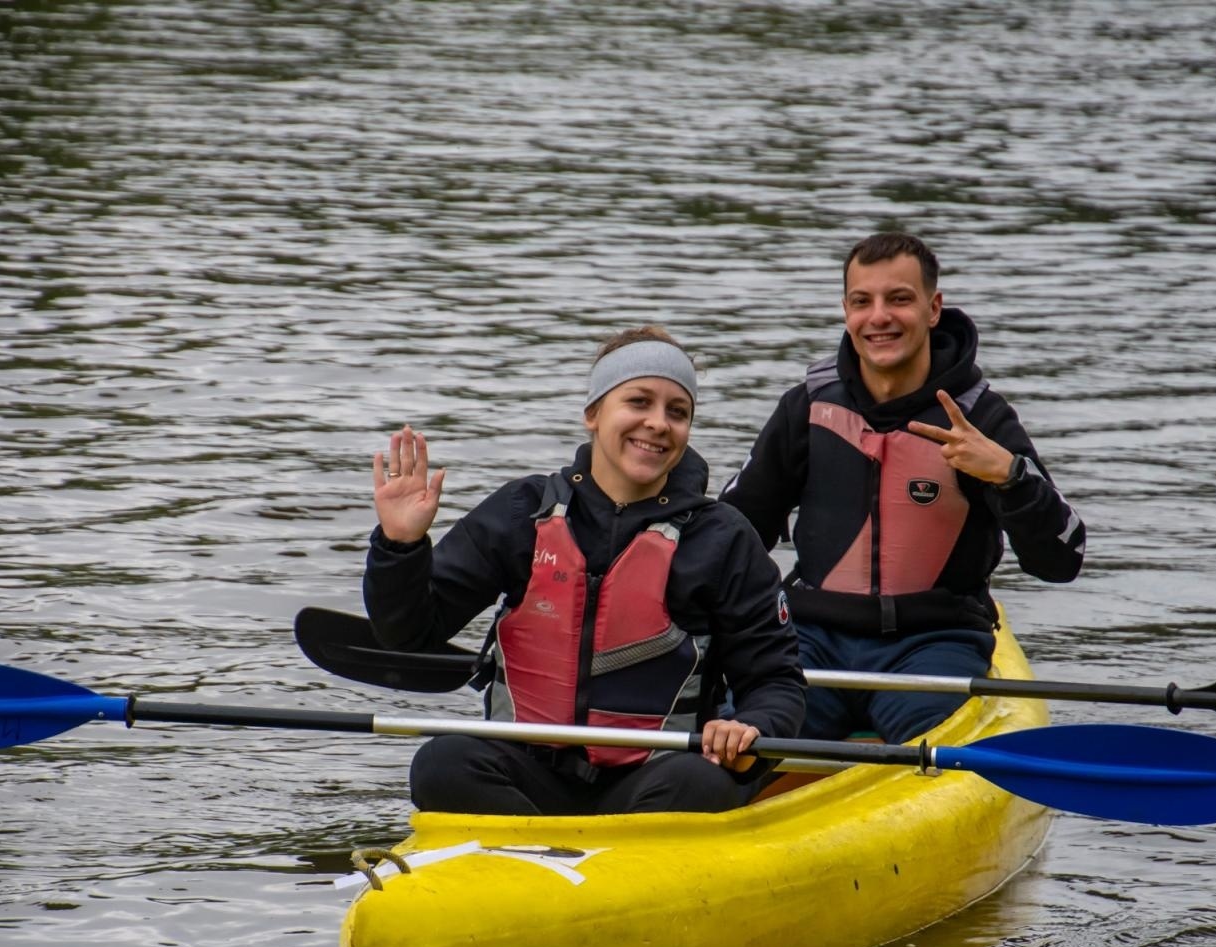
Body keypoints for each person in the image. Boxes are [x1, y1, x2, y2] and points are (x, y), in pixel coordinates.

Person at [363, 327, 804, 815]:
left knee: (699, 782)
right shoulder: (521, 512)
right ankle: (534, 854)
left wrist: (753, 726)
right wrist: (400, 546)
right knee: (441, 763)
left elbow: (777, 681)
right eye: (639, 402)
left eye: (677, 412)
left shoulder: (722, 538)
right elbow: (407, 631)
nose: (658, 423)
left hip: (655, 782)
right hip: (528, 776)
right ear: (593, 414)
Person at [721, 233, 1085, 744]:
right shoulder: (807, 407)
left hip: (933, 643)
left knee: (929, 744)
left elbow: (1062, 560)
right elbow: (732, 532)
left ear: (933, 309)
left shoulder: (980, 417)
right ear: (845, 310)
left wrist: (1010, 476)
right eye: (861, 301)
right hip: (812, 642)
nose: (879, 318)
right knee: (742, 735)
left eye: (899, 299)